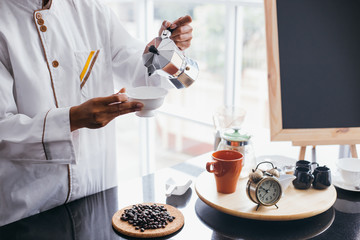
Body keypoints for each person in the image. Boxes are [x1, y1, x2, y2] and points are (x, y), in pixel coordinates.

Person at [0, 0, 193, 226]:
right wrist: (72, 119)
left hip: (98, 200)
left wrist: (163, 51)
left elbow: (142, 76)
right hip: (28, 212)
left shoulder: (93, 11)